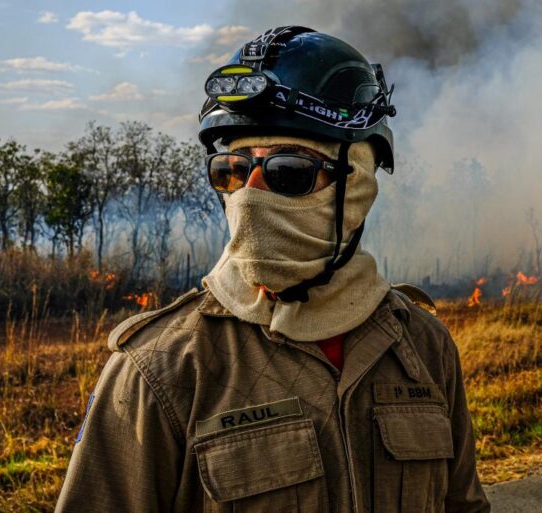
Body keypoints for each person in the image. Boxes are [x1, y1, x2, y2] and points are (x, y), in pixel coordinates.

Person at [55, 26, 491, 513]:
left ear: (360, 186)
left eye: (288, 172)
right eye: (232, 171)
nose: (250, 194)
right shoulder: (162, 368)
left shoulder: (423, 346)